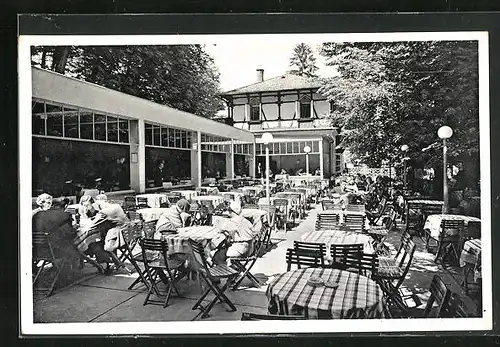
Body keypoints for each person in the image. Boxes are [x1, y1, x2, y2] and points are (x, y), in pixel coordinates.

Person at [32, 193, 83, 267]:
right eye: (49, 202)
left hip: (36, 249)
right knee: (72, 245)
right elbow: (69, 233)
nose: (50, 205)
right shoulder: (58, 215)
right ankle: (72, 268)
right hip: (51, 250)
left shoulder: (36, 214)